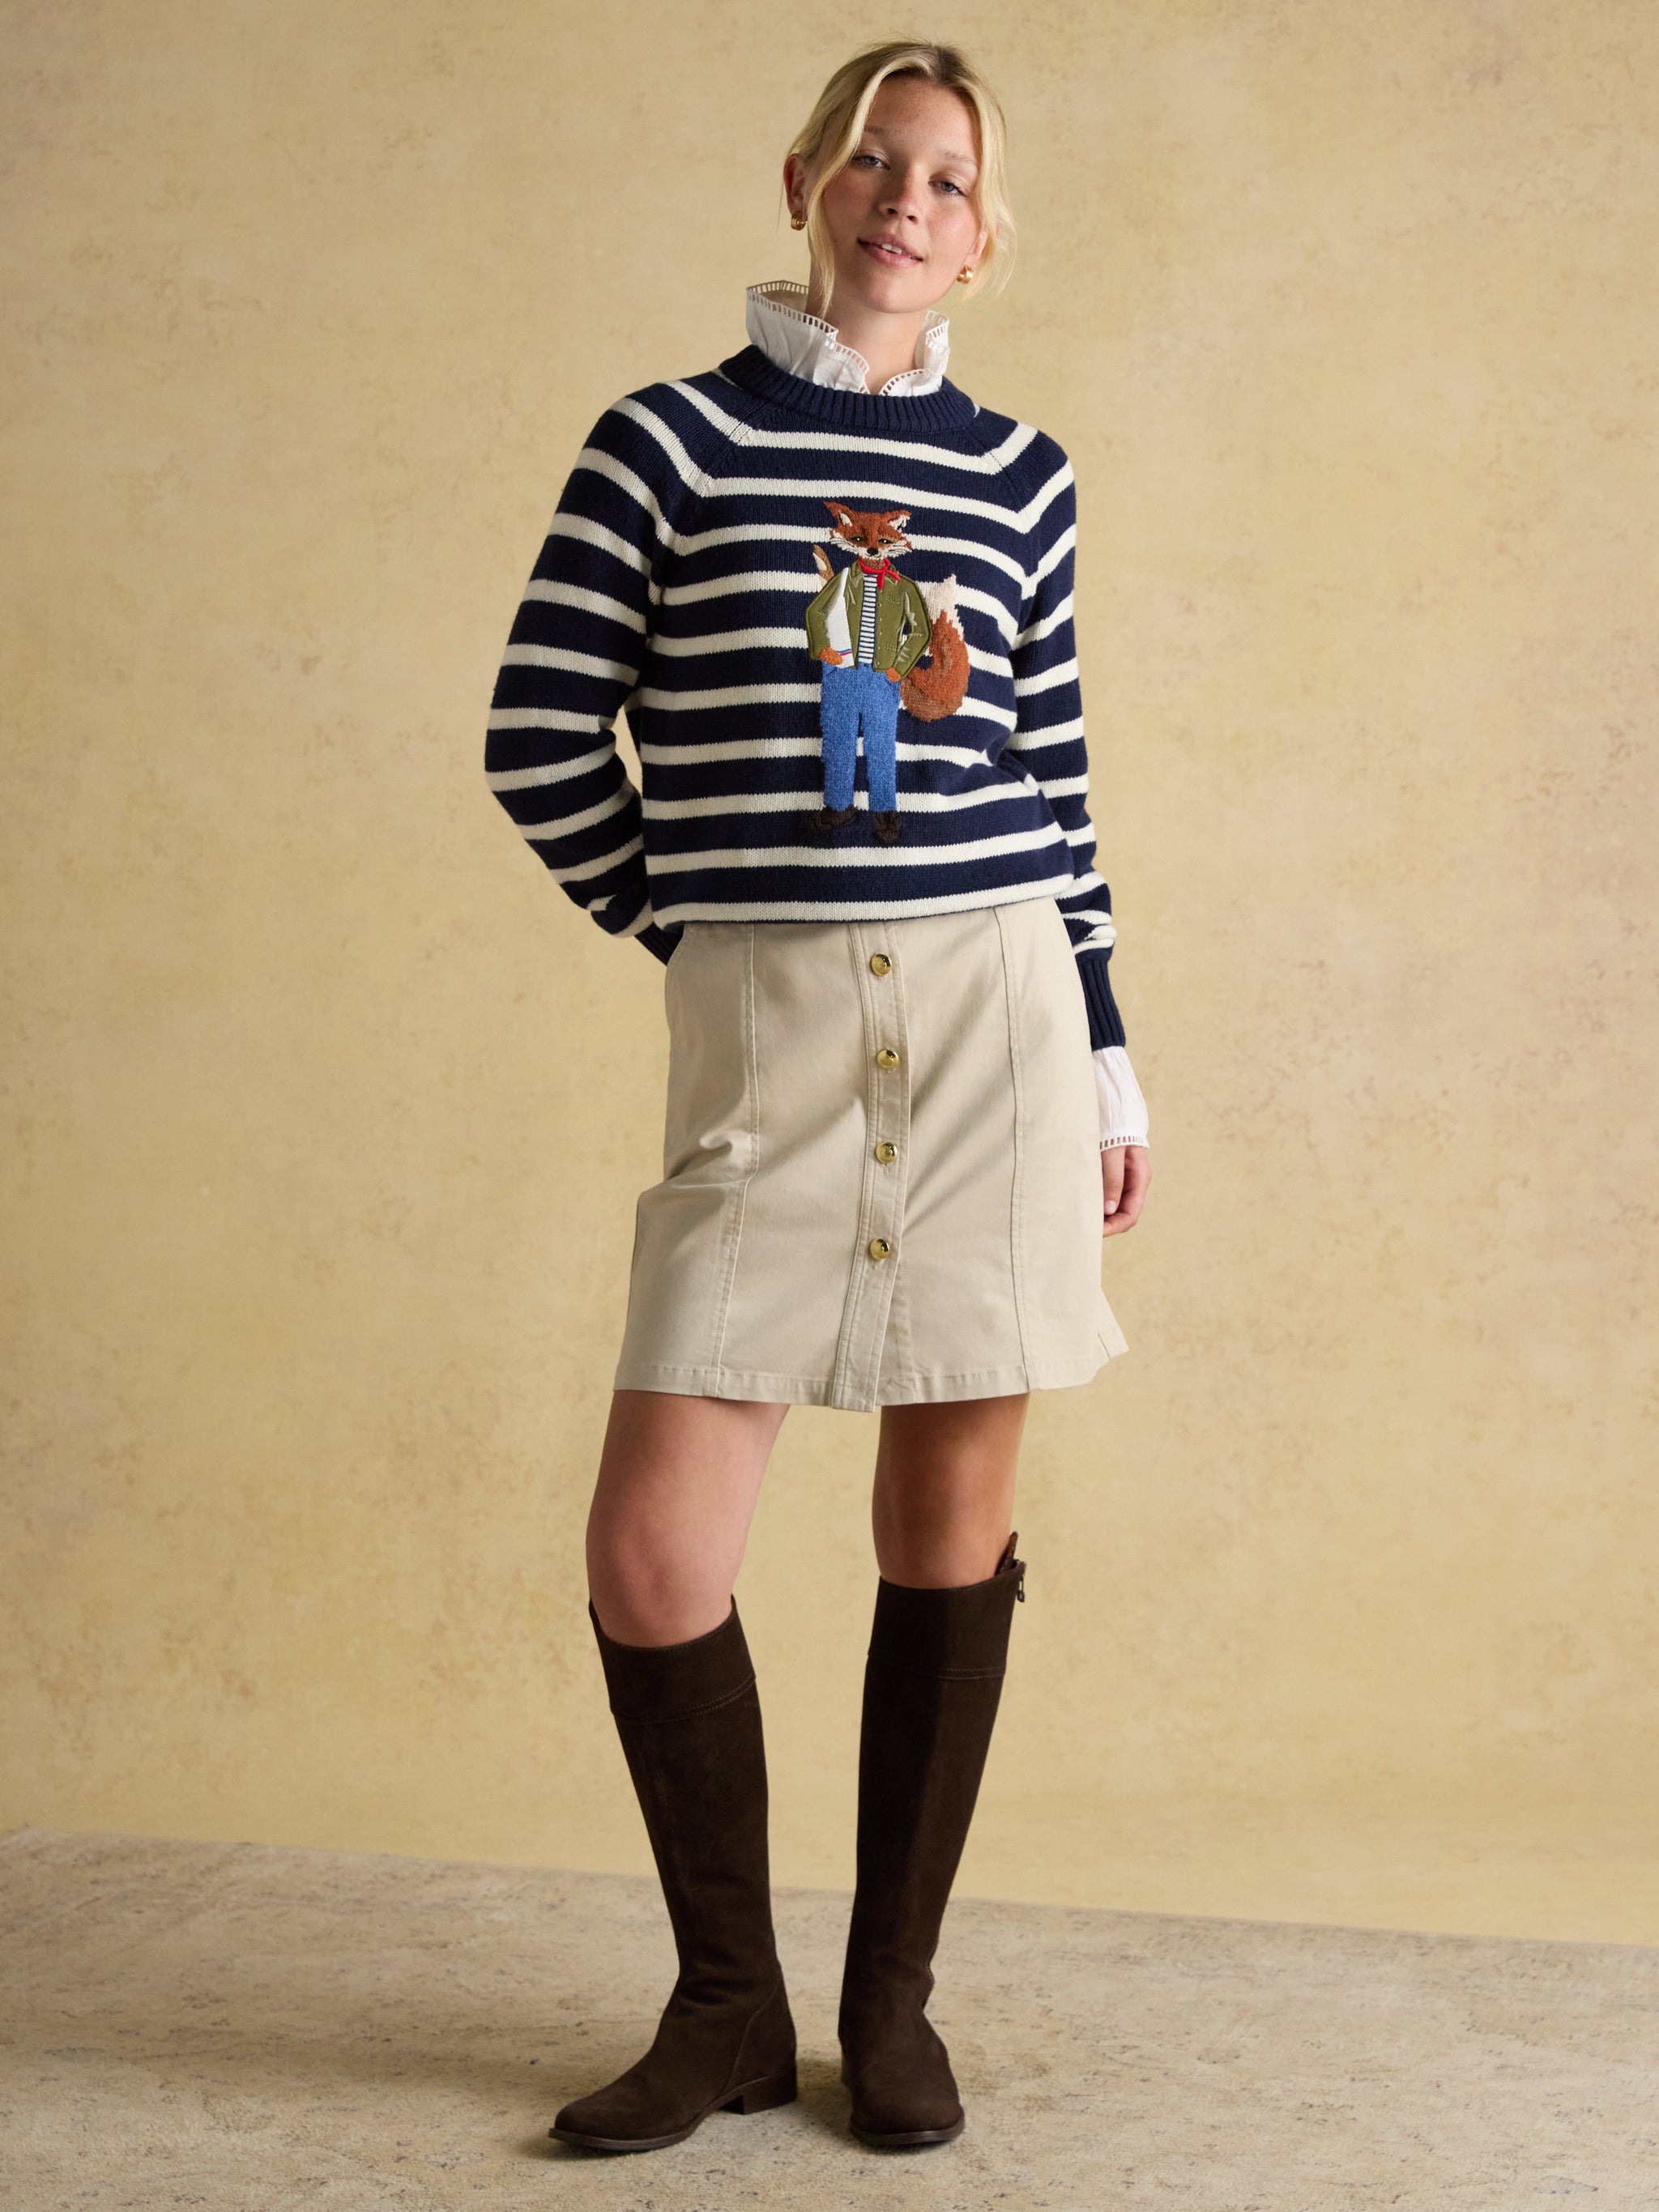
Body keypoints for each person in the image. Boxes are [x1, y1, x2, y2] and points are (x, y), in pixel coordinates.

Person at [483, 37, 1152, 2156]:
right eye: (874, 158)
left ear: (982, 234)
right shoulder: (665, 441)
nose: (904, 199)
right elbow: (535, 734)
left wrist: (1109, 1050)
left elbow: (1052, 787)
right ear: (805, 181)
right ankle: (728, 2008)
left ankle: (890, 2003)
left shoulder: (1021, 476)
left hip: (995, 1021)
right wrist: (693, 928)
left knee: (946, 1518)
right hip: (767, 1027)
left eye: (946, 177)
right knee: (653, 1547)